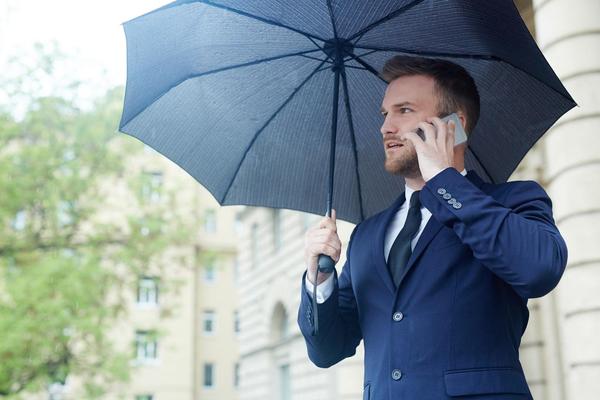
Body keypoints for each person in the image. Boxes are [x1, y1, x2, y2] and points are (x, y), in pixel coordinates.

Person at [297, 55, 568, 400]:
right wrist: (318, 280)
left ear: (454, 124)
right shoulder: (366, 235)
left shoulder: (513, 201)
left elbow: (540, 269)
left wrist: (445, 181)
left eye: (404, 110)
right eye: (385, 114)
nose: (386, 127)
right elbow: (327, 350)